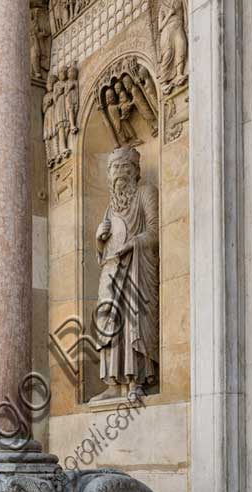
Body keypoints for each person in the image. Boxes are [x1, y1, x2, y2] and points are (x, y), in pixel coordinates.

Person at [94, 148, 159, 399]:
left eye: (125, 168)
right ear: (109, 176)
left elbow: (155, 232)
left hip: (136, 269)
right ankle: (113, 384)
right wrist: (99, 238)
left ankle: (136, 382)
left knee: (134, 322)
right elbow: (104, 249)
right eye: (114, 169)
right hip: (112, 273)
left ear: (135, 171)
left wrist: (133, 243)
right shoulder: (110, 208)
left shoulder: (146, 193)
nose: (120, 173)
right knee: (109, 323)